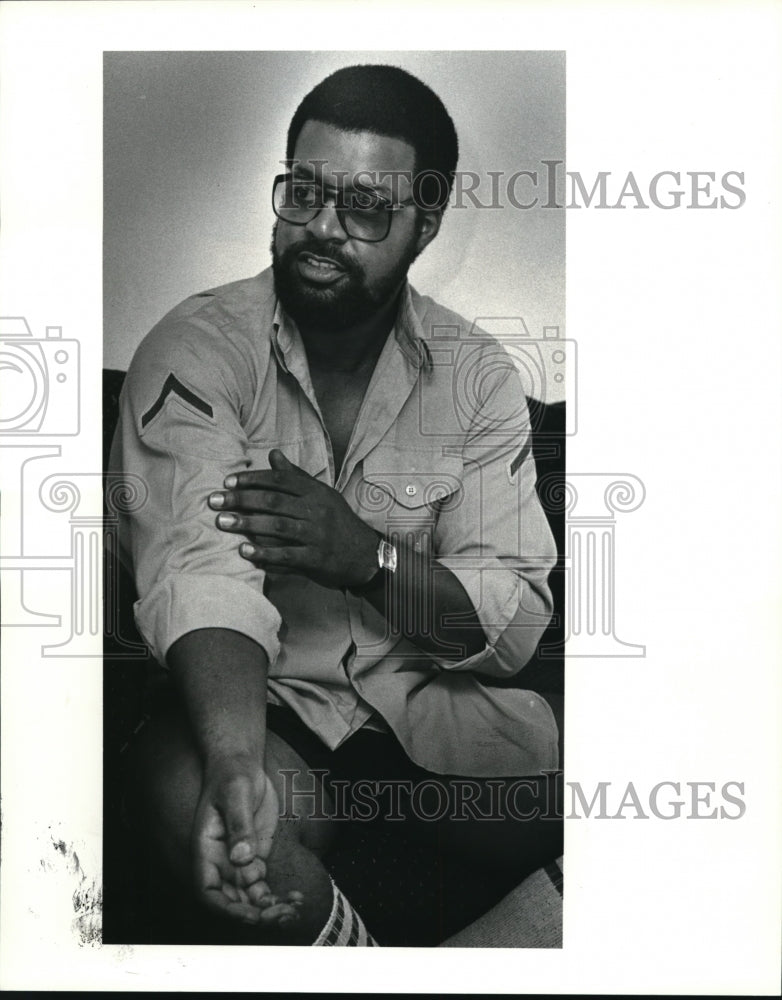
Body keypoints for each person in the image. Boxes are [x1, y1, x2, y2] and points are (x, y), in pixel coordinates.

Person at [110, 64, 561, 947]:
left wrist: (366, 557)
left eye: (363, 208)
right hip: (261, 708)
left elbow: (512, 627)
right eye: (304, 192)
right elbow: (199, 573)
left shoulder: (479, 376)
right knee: (209, 811)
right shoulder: (196, 350)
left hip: (433, 708)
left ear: (424, 225)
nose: (320, 228)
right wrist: (236, 761)